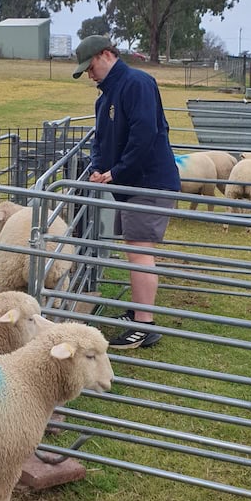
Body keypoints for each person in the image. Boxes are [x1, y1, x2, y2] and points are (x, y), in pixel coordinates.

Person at [73, 35, 181, 349]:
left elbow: (144, 132)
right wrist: (98, 165)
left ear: (106, 54)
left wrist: (116, 171)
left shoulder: (137, 84)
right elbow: (101, 138)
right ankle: (138, 312)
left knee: (140, 251)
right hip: (132, 184)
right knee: (136, 247)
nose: (90, 74)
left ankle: (145, 325)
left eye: (90, 66)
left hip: (148, 182)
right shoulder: (107, 94)